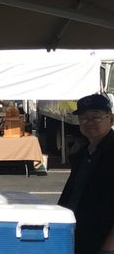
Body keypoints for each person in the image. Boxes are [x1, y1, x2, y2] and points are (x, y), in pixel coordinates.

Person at [58, 94, 114, 254]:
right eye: (83, 118)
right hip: (78, 237)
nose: (89, 123)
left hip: (103, 242)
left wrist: (109, 248)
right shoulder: (82, 152)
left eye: (96, 117)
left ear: (111, 119)